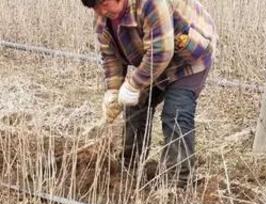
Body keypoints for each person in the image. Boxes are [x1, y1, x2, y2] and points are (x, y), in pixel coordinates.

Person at [80, 0, 215, 187]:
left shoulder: (151, 3)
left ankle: (179, 181)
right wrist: (113, 90)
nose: (101, 11)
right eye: (95, 7)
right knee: (134, 107)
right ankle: (129, 166)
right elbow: (110, 55)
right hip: (151, 60)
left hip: (187, 60)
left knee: (175, 112)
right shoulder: (103, 17)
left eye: (104, 3)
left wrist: (133, 84)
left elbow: (161, 52)